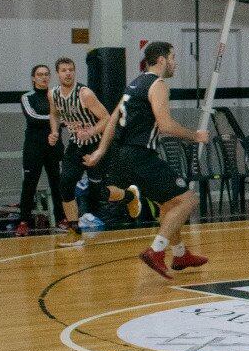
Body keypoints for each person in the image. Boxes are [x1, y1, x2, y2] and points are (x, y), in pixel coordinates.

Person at [85, 41, 211, 278]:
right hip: (141, 155)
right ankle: (156, 250)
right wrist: (195, 136)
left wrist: (101, 151)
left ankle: (181, 254)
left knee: (169, 205)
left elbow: (112, 119)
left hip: (123, 155)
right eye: (173, 57)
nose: (175, 62)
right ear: (162, 60)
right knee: (188, 200)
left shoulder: (134, 84)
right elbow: (165, 125)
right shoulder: (157, 84)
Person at [49, 57, 138, 246]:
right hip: (76, 144)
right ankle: (74, 231)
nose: (68, 73)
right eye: (64, 70)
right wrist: (55, 131)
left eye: (71, 69)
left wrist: (90, 131)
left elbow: (106, 118)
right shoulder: (53, 94)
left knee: (98, 193)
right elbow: (54, 114)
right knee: (65, 183)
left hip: (96, 144)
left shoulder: (85, 94)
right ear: (57, 73)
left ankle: (130, 196)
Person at [16, 64, 65, 236]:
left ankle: (61, 219)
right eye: (40, 74)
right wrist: (56, 120)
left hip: (54, 146)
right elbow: (33, 117)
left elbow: (65, 115)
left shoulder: (56, 95)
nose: (44, 77)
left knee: (57, 182)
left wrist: (60, 122)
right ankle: (23, 222)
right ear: (33, 78)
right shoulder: (27, 97)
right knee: (29, 184)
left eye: (46, 74)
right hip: (34, 147)